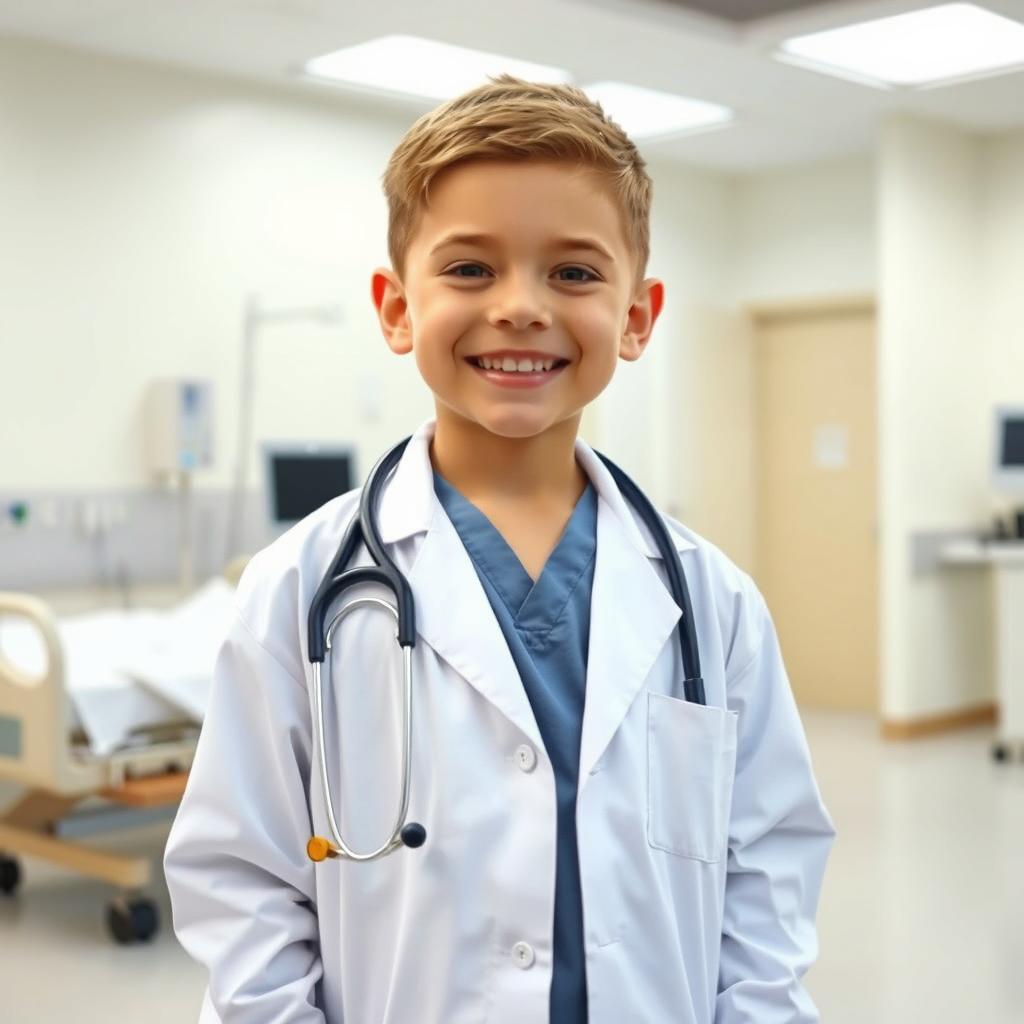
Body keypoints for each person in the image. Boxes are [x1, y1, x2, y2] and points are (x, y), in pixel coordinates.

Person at [164, 75, 836, 1023]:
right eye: (471, 269)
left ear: (637, 317)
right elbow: (242, 884)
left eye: (573, 272)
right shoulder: (301, 590)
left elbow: (766, 872)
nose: (521, 306)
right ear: (396, 308)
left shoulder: (712, 602)